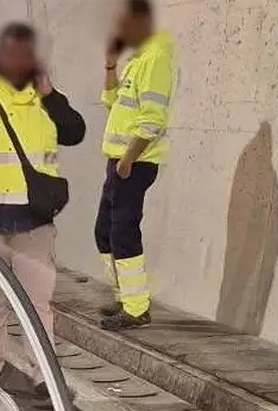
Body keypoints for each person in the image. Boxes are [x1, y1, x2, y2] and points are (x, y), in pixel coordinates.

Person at [0, 21, 85, 402]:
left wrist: (50, 93)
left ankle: (46, 379)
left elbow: (75, 132)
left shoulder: (45, 102)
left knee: (38, 305)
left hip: (33, 222)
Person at [96, 0, 175, 330]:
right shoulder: (136, 60)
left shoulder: (155, 59)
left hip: (134, 162)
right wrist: (110, 66)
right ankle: (125, 297)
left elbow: (153, 119)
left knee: (123, 232)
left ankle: (136, 308)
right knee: (104, 232)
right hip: (119, 160)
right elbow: (112, 102)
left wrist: (128, 160)